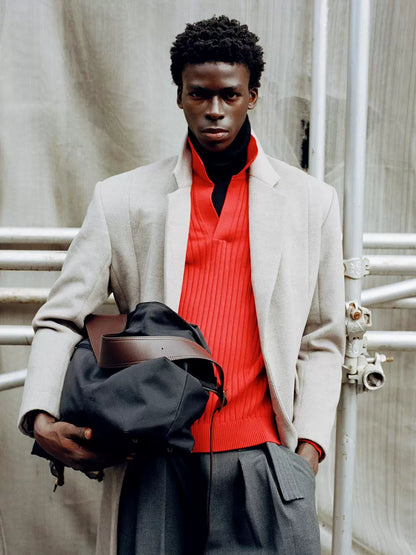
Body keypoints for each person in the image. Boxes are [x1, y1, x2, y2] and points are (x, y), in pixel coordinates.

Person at [19, 15, 345, 555]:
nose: (215, 110)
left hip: (264, 461)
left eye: (229, 95)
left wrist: (307, 449)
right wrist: (40, 417)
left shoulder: (312, 202)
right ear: (179, 96)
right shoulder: (122, 198)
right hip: (154, 460)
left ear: (252, 96)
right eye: (199, 94)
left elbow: (324, 337)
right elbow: (61, 317)